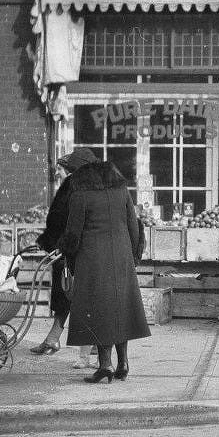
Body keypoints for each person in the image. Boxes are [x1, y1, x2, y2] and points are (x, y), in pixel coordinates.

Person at [60, 159, 150, 384]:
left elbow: (73, 233)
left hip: (92, 259)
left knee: (98, 311)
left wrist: (68, 257)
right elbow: (134, 225)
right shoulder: (121, 191)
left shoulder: (81, 195)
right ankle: (123, 364)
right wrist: (133, 257)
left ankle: (105, 366)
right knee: (121, 310)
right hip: (121, 256)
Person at [29, 147, 97, 356]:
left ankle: (61, 341)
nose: (58, 172)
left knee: (67, 295)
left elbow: (60, 219)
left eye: (62, 168)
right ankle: (60, 340)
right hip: (84, 249)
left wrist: (47, 242)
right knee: (79, 296)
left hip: (68, 250)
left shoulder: (71, 185)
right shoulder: (93, 186)